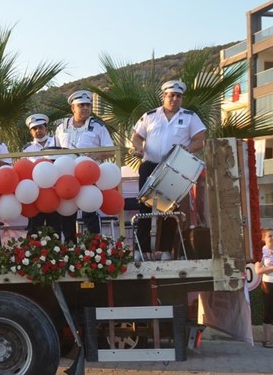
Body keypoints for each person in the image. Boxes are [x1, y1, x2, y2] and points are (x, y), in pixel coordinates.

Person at [130, 79, 206, 261]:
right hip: (150, 165)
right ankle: (140, 250)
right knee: (144, 205)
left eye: (178, 96)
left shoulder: (190, 116)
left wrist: (190, 148)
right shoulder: (150, 116)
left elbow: (199, 139)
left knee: (170, 209)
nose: (174, 99)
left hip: (177, 166)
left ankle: (165, 250)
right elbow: (137, 136)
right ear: (163, 96)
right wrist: (139, 148)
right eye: (171, 95)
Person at [54, 89, 114, 235]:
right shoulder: (61, 127)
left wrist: (94, 155)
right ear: (73, 108)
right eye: (81, 105)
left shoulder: (98, 126)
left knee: (90, 212)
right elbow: (54, 151)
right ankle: (69, 249)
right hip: (67, 175)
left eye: (88, 105)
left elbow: (111, 150)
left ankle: (96, 248)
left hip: (89, 177)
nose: (86, 108)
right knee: (67, 213)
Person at [23, 113, 73, 241]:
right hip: (36, 194)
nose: (38, 131)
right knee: (34, 228)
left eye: (40, 127)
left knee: (55, 227)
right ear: (30, 132)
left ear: (47, 129)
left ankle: (57, 257)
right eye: (34, 129)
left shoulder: (58, 142)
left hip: (54, 192)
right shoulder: (27, 149)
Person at [256, 227, 273, 348]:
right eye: (270, 236)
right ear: (264, 239)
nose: (272, 238)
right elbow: (258, 270)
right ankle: (267, 339)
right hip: (269, 283)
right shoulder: (261, 253)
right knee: (269, 310)